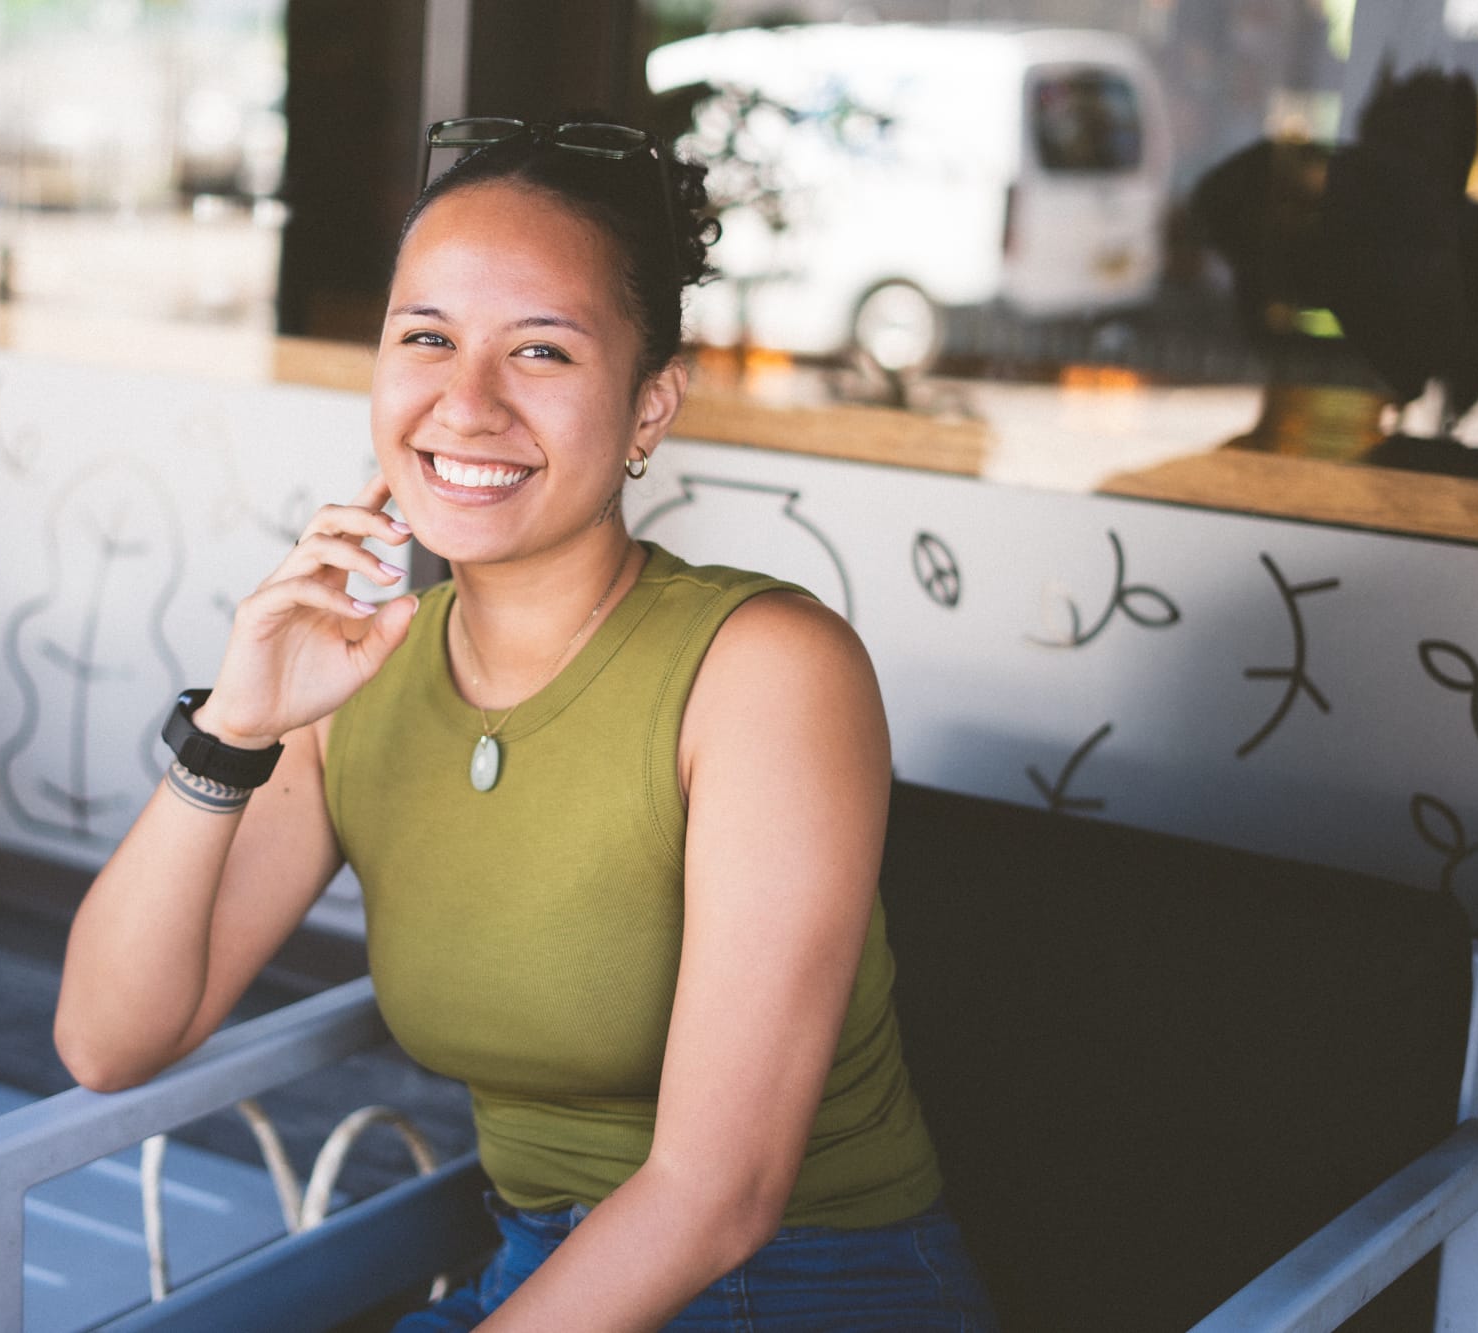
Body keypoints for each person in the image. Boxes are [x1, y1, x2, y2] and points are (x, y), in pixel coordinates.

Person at [53, 117, 995, 1331]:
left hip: (809, 1289)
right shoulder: (358, 677)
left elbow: (720, 1195)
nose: (466, 399)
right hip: (535, 1277)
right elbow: (106, 1040)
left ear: (649, 407)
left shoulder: (763, 669)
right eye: (426, 338)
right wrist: (234, 728)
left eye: (540, 351)